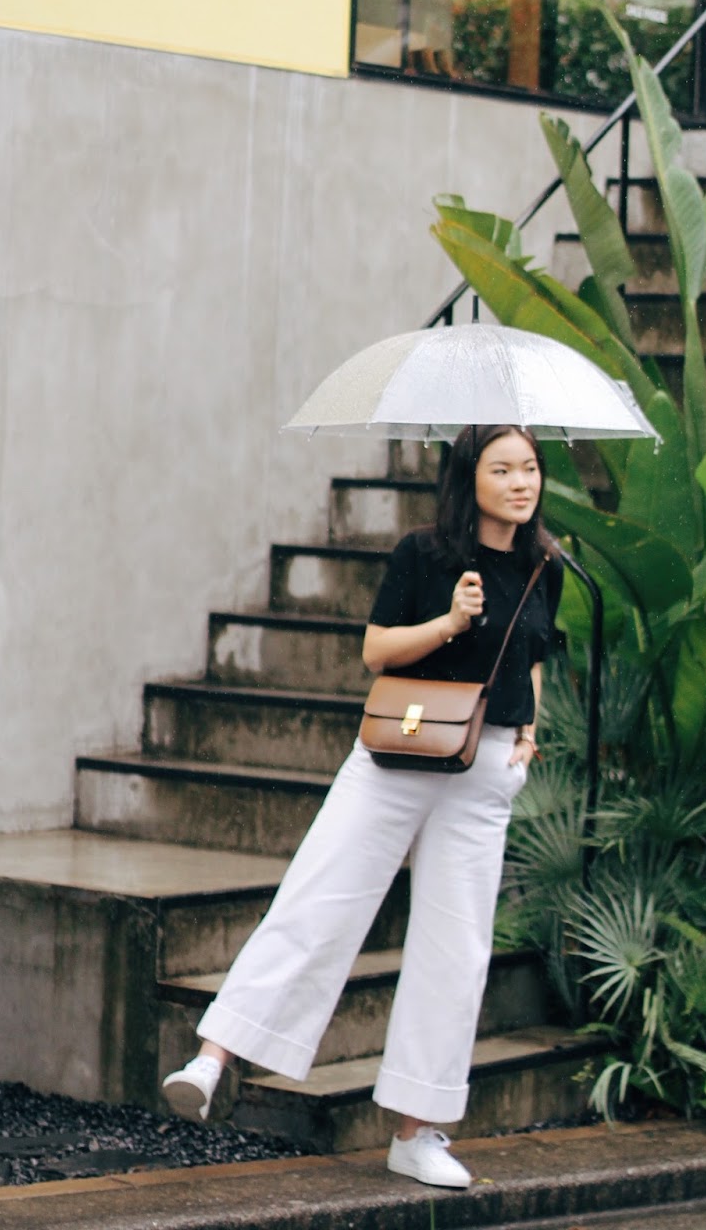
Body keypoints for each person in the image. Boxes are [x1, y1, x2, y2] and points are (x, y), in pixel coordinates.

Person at [162, 424, 563, 1189]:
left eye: (531, 468)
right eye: (503, 469)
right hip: (400, 750)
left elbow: (536, 655)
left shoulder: (545, 564)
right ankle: (213, 1058)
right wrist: (450, 622)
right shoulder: (425, 554)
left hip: (484, 771)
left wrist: (529, 731)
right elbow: (377, 651)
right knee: (319, 897)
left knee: (456, 950)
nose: (521, 483)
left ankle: (416, 1133)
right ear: (469, 478)